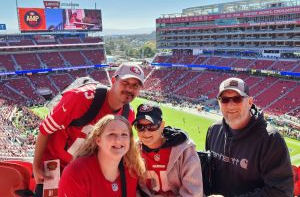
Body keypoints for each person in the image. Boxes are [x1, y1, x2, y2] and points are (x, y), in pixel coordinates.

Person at [33, 63, 144, 196]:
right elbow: (45, 129)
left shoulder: (128, 114)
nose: (129, 89)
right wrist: (36, 164)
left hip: (84, 171)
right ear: (113, 80)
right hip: (54, 164)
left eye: (135, 86)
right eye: (125, 83)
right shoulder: (80, 98)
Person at [205, 77, 294, 197]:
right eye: (225, 100)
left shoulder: (270, 139)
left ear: (250, 102)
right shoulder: (213, 130)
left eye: (237, 99)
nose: (231, 105)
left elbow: (281, 191)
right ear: (219, 103)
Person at [59, 114, 145, 197]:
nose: (118, 140)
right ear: (98, 140)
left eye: (124, 134)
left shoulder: (132, 171)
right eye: (111, 134)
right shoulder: (76, 172)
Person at [133, 103, 203, 197]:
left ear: (162, 125)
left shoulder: (184, 150)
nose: (146, 132)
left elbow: (193, 193)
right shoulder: (134, 150)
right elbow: (132, 188)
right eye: (140, 127)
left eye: (152, 126)